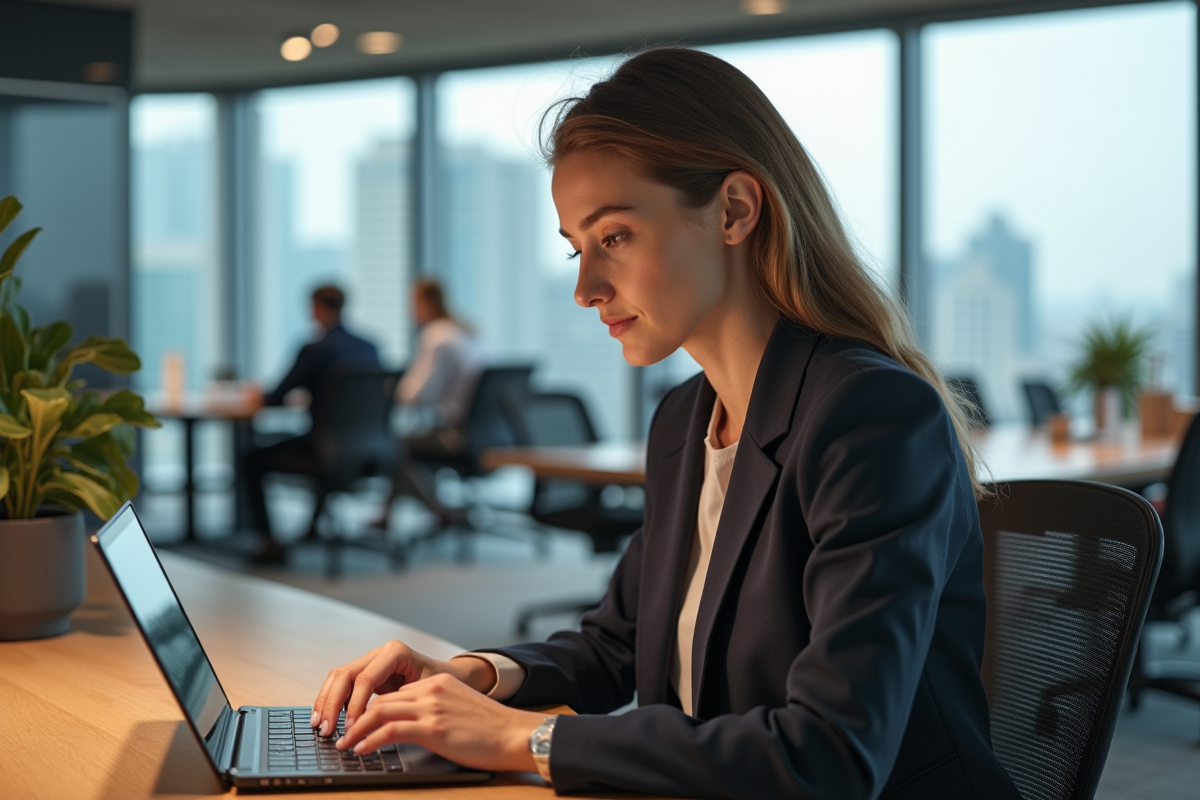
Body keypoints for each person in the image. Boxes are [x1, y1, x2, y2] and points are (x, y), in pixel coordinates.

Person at [307, 48, 1021, 800]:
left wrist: (521, 739)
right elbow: (617, 642)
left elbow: (830, 755)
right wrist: (473, 676)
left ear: (734, 211)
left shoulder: (870, 417)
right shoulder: (685, 419)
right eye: (576, 249)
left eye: (614, 237)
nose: (585, 287)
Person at [244, 284, 380, 561]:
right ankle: (311, 528)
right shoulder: (370, 347)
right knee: (315, 442)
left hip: (324, 450)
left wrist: (258, 394)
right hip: (370, 448)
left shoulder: (315, 349)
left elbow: (275, 397)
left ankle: (269, 541)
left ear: (315, 308)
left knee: (251, 459)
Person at [373, 279, 486, 528]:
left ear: (427, 304)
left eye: (413, 304)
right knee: (403, 445)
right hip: (483, 434)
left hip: (455, 434)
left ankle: (439, 511)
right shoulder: (467, 333)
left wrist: (391, 391)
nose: (411, 311)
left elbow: (418, 395)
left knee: (393, 446)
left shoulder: (436, 336)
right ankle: (387, 517)